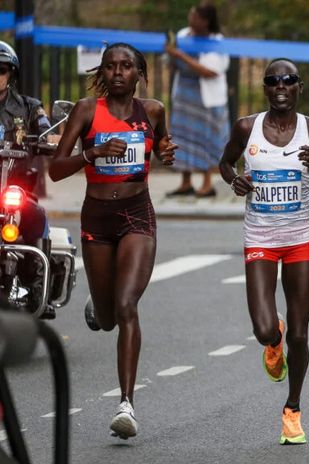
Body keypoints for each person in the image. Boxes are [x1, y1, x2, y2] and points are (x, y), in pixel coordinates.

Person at [48, 43, 177, 439]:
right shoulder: (87, 111)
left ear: (140, 73)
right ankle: (98, 304)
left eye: (126, 66)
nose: (118, 72)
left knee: (126, 306)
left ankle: (126, 405)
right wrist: (94, 153)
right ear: (101, 72)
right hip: (97, 219)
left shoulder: (152, 110)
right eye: (110, 66)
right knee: (107, 320)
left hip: (137, 214)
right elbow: (55, 170)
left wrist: (165, 153)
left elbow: (162, 146)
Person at [218, 58, 309, 445]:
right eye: (273, 81)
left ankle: (292, 410)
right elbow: (225, 163)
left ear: (299, 86)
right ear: (265, 88)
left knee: (300, 335)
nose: (280, 87)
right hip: (260, 238)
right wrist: (235, 181)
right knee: (264, 329)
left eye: (288, 80)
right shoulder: (246, 128)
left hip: (301, 238)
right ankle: (274, 342)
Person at [0, 40, 54, 317]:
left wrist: (48, 140)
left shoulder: (30, 107)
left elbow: (47, 132)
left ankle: (36, 287)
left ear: (11, 74)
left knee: (38, 217)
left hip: (15, 189)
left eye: (1, 70)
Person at [165, 2, 230, 198]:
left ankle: (207, 183)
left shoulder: (216, 41)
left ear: (206, 21)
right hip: (185, 96)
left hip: (206, 99)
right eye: (191, 15)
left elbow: (211, 71)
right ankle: (186, 182)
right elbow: (172, 63)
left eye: (195, 16)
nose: (190, 19)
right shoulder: (183, 35)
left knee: (205, 139)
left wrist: (181, 55)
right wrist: (172, 57)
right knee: (183, 139)